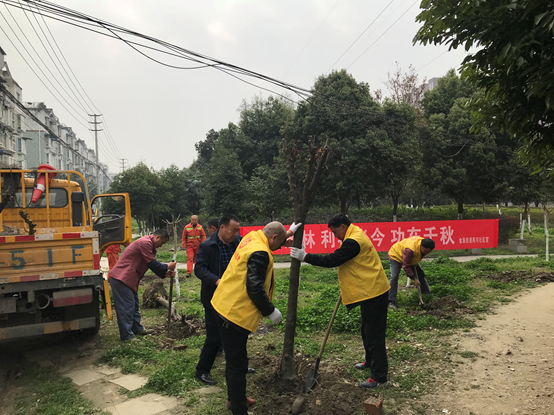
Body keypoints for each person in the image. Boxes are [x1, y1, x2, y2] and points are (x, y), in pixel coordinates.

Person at [290, 214, 390, 389]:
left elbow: (332, 260)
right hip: (369, 289)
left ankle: (379, 376)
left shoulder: (353, 241)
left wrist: (306, 257)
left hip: (374, 291)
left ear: (343, 226)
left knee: (375, 335)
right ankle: (369, 361)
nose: (334, 235)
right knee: (367, 331)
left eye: (335, 231)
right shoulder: (354, 233)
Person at [211, 221, 301, 414]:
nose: (279, 247)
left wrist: (287, 234)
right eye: (280, 242)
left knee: (237, 359)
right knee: (237, 363)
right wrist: (270, 310)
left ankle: (235, 398)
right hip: (233, 313)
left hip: (223, 303)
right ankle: (238, 408)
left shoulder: (253, 237)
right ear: (274, 238)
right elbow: (254, 287)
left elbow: (268, 243)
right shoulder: (260, 253)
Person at [194, 214, 242, 386]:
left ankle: (238, 366)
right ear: (222, 228)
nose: (236, 234)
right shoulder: (208, 246)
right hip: (213, 297)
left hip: (234, 297)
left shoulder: (238, 243)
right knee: (214, 336)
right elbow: (199, 269)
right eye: (233, 230)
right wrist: (217, 280)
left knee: (236, 335)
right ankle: (202, 371)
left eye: (238, 231)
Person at [109, 229, 176, 341]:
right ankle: (127, 336)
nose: (160, 246)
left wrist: (165, 273)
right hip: (122, 278)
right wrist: (167, 266)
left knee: (134, 304)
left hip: (129, 278)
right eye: (162, 243)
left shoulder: (149, 245)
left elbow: (151, 264)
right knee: (127, 306)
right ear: (158, 237)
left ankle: (137, 329)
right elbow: (152, 263)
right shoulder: (145, 243)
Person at [388, 236, 435, 309]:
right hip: (396, 255)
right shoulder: (410, 250)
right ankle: (391, 301)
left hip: (410, 257)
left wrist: (415, 262)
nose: (427, 253)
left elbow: (415, 257)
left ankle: (426, 293)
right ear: (421, 246)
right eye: (426, 251)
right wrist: (414, 279)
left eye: (429, 252)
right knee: (394, 277)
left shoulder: (423, 244)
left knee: (420, 273)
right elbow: (406, 266)